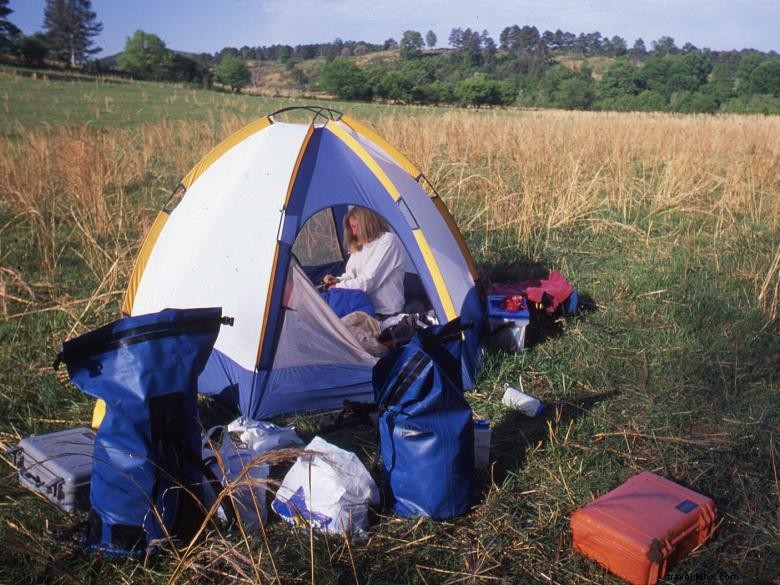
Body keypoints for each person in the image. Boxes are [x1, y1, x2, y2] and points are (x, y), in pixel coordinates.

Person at [322, 207, 406, 319]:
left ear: (366, 224)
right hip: (361, 307)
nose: (353, 232)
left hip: (385, 312)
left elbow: (368, 281)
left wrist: (336, 287)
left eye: (354, 227)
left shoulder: (388, 241)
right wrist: (337, 280)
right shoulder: (360, 244)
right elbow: (351, 276)